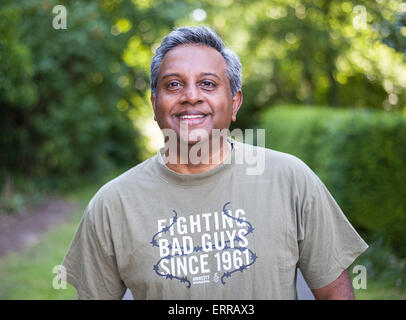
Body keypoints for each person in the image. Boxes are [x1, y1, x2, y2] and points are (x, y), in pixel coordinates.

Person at [60, 26, 368, 300]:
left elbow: (333, 293)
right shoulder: (112, 204)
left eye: (207, 84)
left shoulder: (292, 180)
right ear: (155, 105)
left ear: (234, 102)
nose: (190, 96)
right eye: (173, 85)